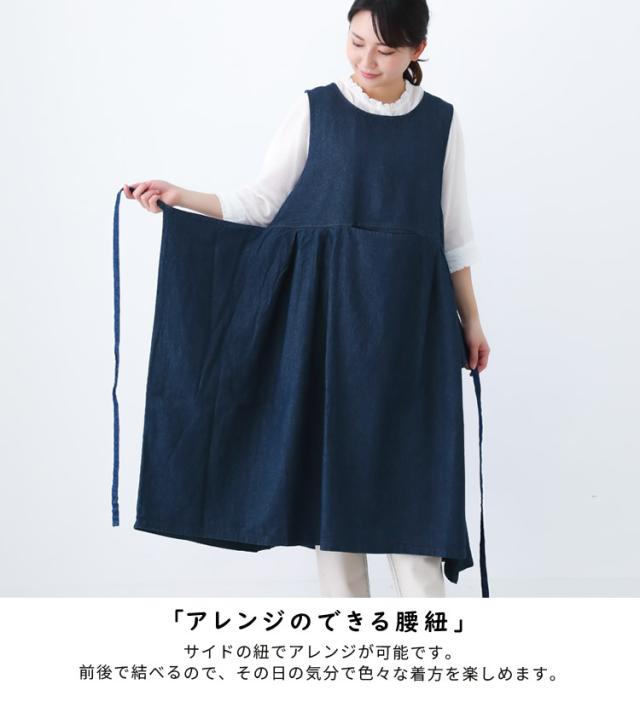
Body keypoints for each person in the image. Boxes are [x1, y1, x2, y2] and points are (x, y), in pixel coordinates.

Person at [121, 0, 491, 597]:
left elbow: (454, 235)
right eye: (356, 42)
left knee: (417, 495)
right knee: (334, 499)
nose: (366, 60)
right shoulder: (316, 108)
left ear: (418, 50)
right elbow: (262, 204)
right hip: (330, 329)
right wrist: (180, 196)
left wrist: (471, 321)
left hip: (413, 333)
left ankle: (429, 646)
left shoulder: (441, 123)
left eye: (385, 50)